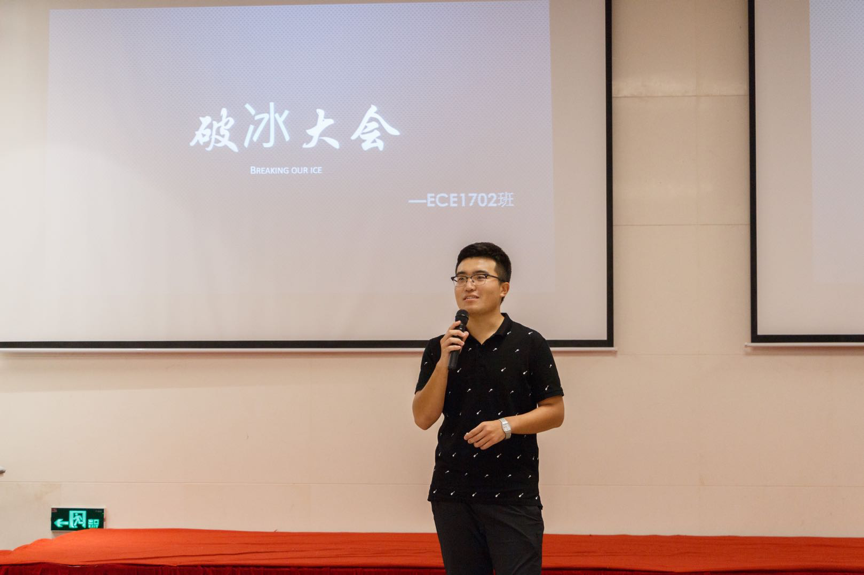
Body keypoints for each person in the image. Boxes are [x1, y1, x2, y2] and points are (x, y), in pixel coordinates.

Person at [412, 242, 565, 575]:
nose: (469, 285)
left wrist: (506, 426)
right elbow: (423, 418)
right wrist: (443, 361)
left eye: (480, 277)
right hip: (453, 492)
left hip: (512, 492)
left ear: (504, 288)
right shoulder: (440, 346)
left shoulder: (529, 343)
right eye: (461, 278)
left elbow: (555, 412)